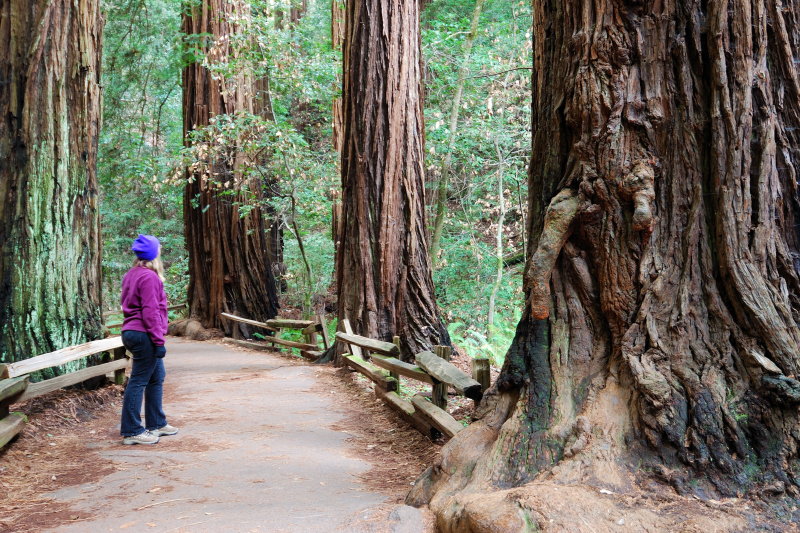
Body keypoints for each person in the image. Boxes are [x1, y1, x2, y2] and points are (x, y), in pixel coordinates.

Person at [119, 234, 178, 445]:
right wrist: (158, 341)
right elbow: (150, 311)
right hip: (144, 333)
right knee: (139, 380)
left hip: (133, 331)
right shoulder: (149, 277)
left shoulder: (132, 274)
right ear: (154, 253)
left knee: (156, 376)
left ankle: (157, 423)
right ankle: (132, 430)